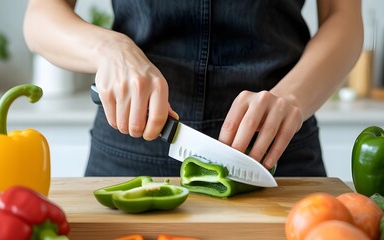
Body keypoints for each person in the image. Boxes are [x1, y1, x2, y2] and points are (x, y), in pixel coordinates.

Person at [23, 0, 363, 178]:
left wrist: (292, 97)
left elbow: (343, 15)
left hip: (277, 151)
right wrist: (110, 49)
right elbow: (40, 16)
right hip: (132, 150)